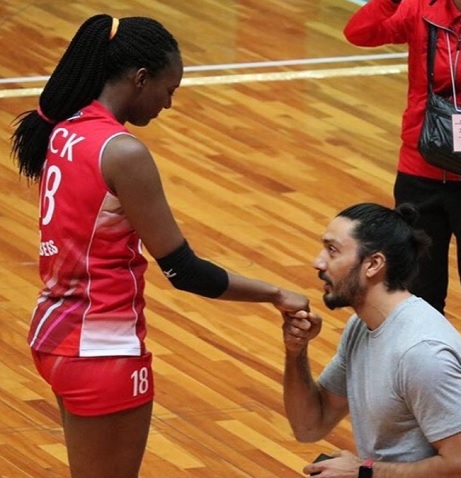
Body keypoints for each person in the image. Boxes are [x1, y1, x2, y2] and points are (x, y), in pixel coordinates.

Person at [10, 14, 309, 478]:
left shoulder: (65, 129)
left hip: (55, 335)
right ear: (140, 78)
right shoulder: (122, 152)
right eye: (169, 90)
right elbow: (183, 270)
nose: (168, 104)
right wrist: (275, 293)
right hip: (103, 348)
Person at [343, 0, 461, 446]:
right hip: (420, 172)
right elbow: (359, 32)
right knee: (421, 296)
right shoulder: (419, 11)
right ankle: (423, 396)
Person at [282, 203, 461, 478]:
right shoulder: (361, 326)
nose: (318, 263)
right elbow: (309, 425)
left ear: (373, 264)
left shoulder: (423, 353)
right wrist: (296, 351)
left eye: (332, 250)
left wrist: (364, 472)